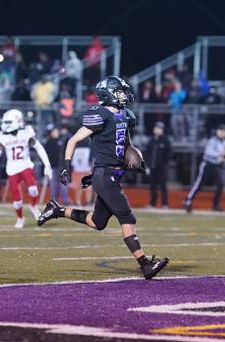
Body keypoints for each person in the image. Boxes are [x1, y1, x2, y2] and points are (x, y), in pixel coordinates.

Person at [37, 75, 170, 280]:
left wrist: (137, 160)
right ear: (107, 94)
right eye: (119, 92)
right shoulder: (99, 115)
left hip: (112, 175)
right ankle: (145, 264)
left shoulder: (125, 115)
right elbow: (73, 140)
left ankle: (57, 210)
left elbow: (126, 144)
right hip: (105, 175)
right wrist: (66, 166)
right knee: (127, 217)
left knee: (97, 222)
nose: (123, 96)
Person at [0, 110, 52, 228]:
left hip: (25, 165)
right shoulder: (2, 136)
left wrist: (47, 164)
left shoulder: (26, 132)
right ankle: (20, 218)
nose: (6, 124)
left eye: (8, 122)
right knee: (17, 200)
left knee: (33, 190)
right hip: (12, 169)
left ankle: (33, 206)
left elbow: (39, 148)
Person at [183, 124, 225, 213]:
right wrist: (220, 155)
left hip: (217, 165)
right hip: (208, 164)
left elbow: (224, 154)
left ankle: (215, 205)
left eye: (224, 131)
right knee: (199, 184)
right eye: (221, 131)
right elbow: (208, 152)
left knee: (220, 185)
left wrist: (222, 158)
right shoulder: (213, 141)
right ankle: (188, 200)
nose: (222, 133)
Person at [146, 122, 172, 209]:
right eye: (156, 128)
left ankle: (165, 204)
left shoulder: (165, 140)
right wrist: (147, 165)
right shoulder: (151, 140)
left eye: (159, 128)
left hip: (162, 168)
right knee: (152, 186)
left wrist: (165, 164)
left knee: (163, 186)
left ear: (162, 130)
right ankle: (152, 204)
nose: (157, 129)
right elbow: (148, 153)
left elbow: (169, 154)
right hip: (152, 167)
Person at [44, 126, 70, 205]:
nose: (56, 132)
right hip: (53, 166)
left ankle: (65, 200)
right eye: (54, 131)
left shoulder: (62, 140)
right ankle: (54, 200)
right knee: (53, 184)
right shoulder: (48, 142)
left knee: (63, 184)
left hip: (61, 166)